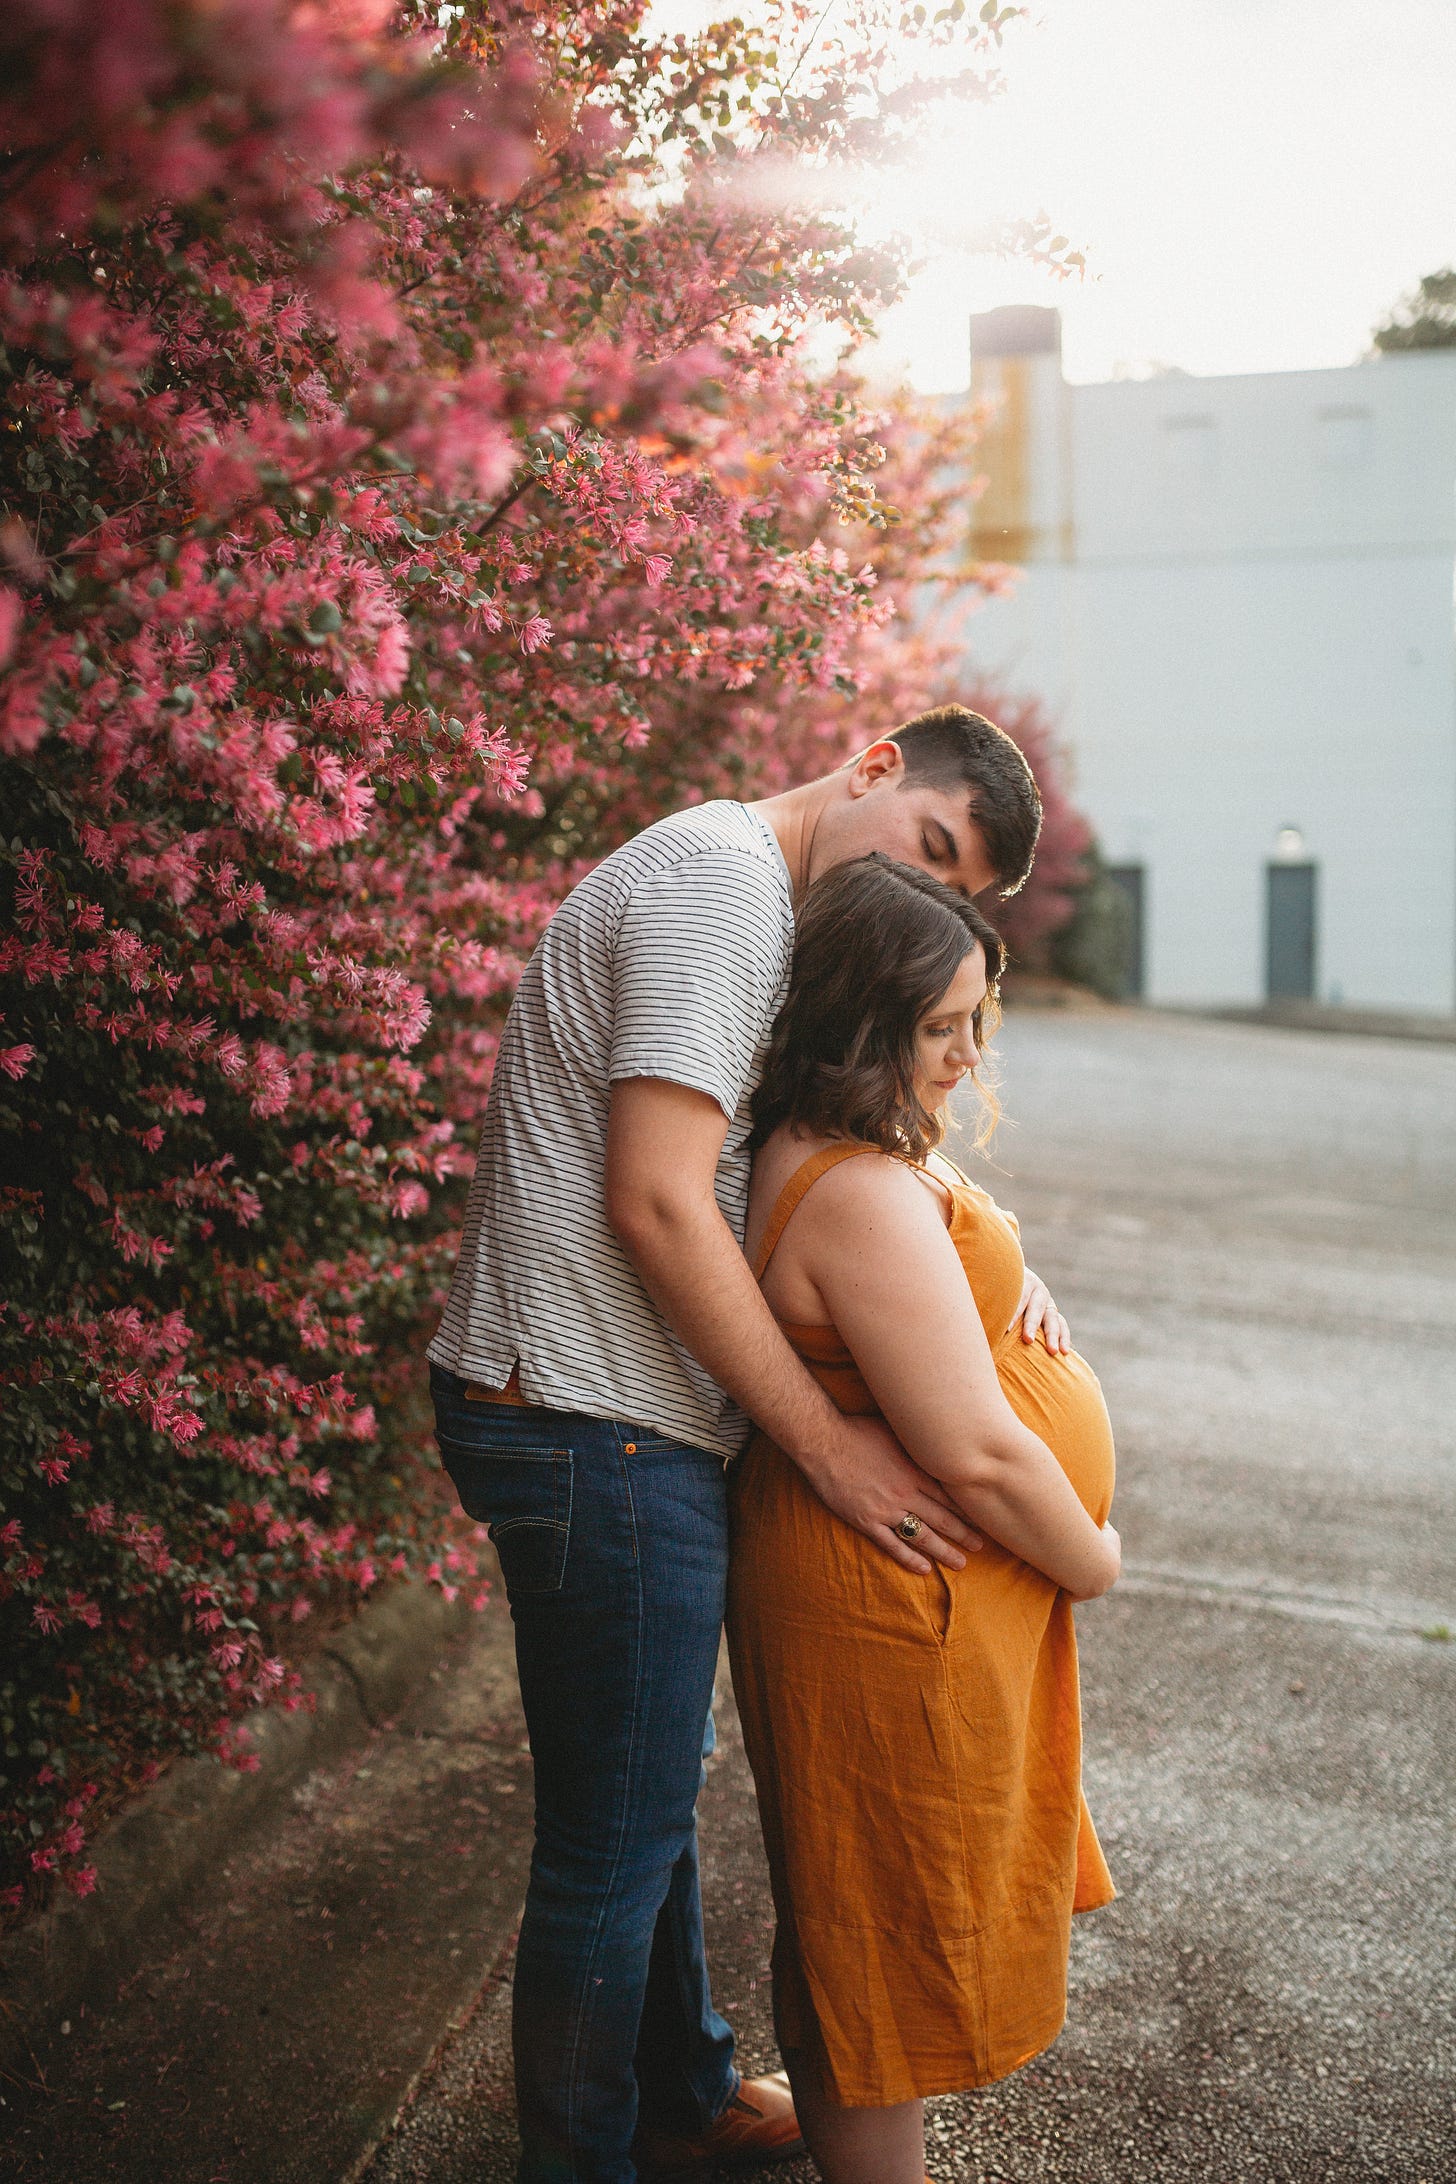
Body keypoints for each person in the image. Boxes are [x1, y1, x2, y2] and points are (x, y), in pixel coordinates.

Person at [426, 705, 1045, 2183]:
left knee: (650, 1789)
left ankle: (684, 2093)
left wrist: (1003, 1261)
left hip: (610, 1421)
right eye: (936, 850)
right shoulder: (720, 885)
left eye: (957, 895)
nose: (925, 890)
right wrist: (830, 1448)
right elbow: (655, 1198)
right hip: (590, 1423)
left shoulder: (759, 900)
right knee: (611, 1848)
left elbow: (838, 1129)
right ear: (876, 765)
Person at [726, 851, 1120, 2184]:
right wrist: (1096, 1558)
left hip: (892, 1587)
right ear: (858, 1017)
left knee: (859, 1911)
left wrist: (1011, 1278)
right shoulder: (851, 1188)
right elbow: (982, 1456)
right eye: (940, 1028)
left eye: (977, 1022)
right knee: (878, 1935)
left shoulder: (857, 1151)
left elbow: (937, 1274)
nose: (966, 1055)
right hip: (889, 1599)